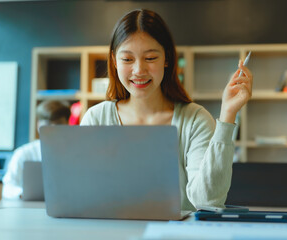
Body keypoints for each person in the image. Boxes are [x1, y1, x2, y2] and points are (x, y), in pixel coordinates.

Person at [80, 9, 253, 211]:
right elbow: (82, 195)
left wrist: (227, 115)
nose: (139, 70)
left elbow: (207, 202)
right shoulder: (96, 118)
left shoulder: (194, 120)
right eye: (127, 59)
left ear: (167, 59)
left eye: (150, 58)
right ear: (114, 61)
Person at [2, 100, 71, 199]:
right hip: (31, 208)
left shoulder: (76, 153)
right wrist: (24, 193)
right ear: (38, 125)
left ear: (67, 124)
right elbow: (8, 187)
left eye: (58, 124)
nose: (53, 130)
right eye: (48, 124)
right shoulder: (24, 153)